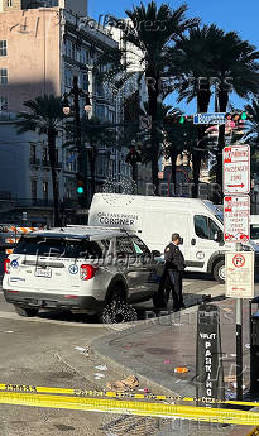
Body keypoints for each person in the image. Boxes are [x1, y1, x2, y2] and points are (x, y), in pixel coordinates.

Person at [159, 233, 185, 311]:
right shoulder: (170, 247)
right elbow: (168, 259)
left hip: (178, 270)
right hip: (173, 271)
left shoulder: (176, 247)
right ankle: (176, 305)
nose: (180, 240)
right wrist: (175, 266)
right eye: (179, 239)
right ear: (176, 240)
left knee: (179, 287)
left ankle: (180, 303)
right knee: (175, 288)